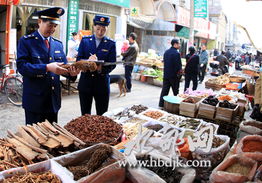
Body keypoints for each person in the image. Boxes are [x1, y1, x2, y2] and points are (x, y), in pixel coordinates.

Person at [17, 7, 79, 125]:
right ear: (40, 22)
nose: (53, 29)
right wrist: (46, 67)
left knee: (52, 139)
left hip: (53, 102)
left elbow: (64, 67)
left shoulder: (57, 44)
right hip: (35, 101)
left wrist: (72, 74)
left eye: (55, 26)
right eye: (50, 25)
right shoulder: (27, 42)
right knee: (35, 139)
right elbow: (22, 67)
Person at [77, 15, 116, 115]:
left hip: (102, 84)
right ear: (93, 27)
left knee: (102, 114)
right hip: (86, 82)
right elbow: (78, 59)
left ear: (107, 28)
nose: (100, 31)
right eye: (98, 28)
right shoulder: (85, 41)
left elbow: (112, 63)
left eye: (103, 29)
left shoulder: (111, 43)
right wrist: (87, 63)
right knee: (85, 115)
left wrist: (100, 68)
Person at [159, 38, 182, 108]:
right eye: (179, 44)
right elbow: (178, 66)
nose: (180, 45)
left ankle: (161, 104)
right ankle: (177, 106)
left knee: (164, 91)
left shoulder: (166, 52)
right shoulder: (177, 53)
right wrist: (179, 74)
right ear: (175, 44)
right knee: (175, 91)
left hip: (166, 74)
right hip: (174, 76)